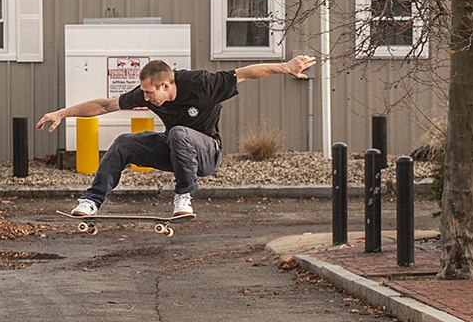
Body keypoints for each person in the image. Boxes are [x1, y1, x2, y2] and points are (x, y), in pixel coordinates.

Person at [37, 55, 316, 218]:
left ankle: (183, 196)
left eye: (150, 94)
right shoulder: (147, 94)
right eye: (143, 94)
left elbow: (246, 73)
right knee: (124, 142)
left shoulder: (203, 84)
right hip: (176, 150)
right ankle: (91, 201)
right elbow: (105, 105)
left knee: (180, 133)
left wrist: (286, 67)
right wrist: (63, 113)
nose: (145, 99)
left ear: (167, 85)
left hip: (207, 154)